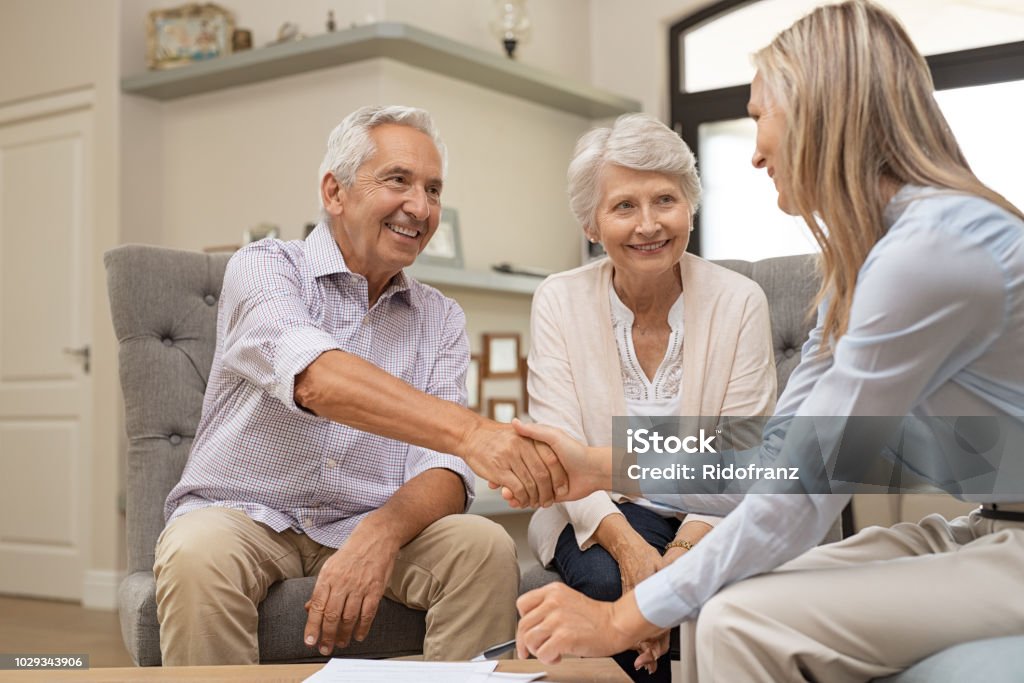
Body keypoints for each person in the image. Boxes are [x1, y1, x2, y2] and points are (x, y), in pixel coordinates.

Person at [512, 2, 1024, 681]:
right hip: (986, 525)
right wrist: (599, 464)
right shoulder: (865, 263)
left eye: (759, 115)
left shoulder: (931, 252)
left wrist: (619, 619)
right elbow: (776, 451)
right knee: (729, 595)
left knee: (732, 615)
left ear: (816, 112)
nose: (753, 151)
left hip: (1012, 543)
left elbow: (806, 492)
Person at [153, 105, 568, 665]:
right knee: (195, 552)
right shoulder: (265, 267)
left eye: (434, 190)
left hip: (365, 516)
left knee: (484, 547)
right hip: (242, 513)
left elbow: (443, 471)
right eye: (398, 180)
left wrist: (381, 531)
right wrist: (475, 436)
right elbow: (317, 379)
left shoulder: (439, 317)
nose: (420, 207)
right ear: (335, 192)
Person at [524, 113, 776, 681]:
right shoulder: (558, 301)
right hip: (597, 515)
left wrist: (677, 563)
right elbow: (564, 457)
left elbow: (743, 457)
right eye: (623, 207)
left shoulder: (740, 302)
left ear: (690, 205)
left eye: (665, 200)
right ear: (591, 223)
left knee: (706, 601)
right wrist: (638, 556)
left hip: (708, 516)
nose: (648, 225)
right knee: (613, 584)